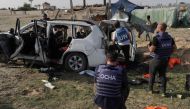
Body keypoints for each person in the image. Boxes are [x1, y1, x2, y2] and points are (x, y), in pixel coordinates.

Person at [148, 22, 177, 96]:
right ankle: (163, 92)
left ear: (160, 28)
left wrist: (149, 46)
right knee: (162, 75)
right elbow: (175, 48)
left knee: (152, 74)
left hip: (157, 59)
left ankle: (150, 90)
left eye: (157, 27)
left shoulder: (156, 38)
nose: (156, 28)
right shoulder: (170, 37)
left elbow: (152, 50)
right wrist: (168, 52)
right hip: (166, 59)